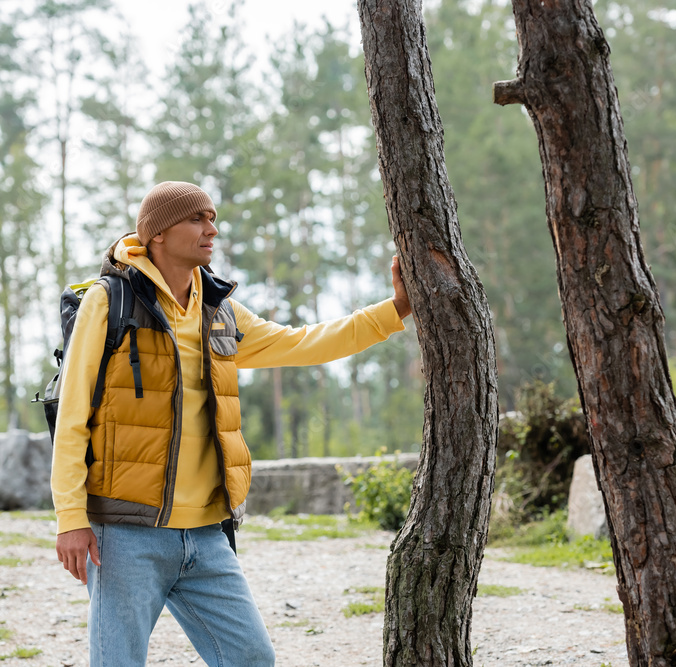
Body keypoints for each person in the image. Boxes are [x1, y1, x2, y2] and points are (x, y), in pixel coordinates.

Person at [51, 180, 412, 666]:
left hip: (206, 535)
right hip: (125, 534)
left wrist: (396, 310)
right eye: (198, 219)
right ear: (158, 233)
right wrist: (71, 520)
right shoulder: (107, 302)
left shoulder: (218, 311)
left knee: (252, 659)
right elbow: (73, 416)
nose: (212, 230)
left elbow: (306, 343)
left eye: (212, 218)